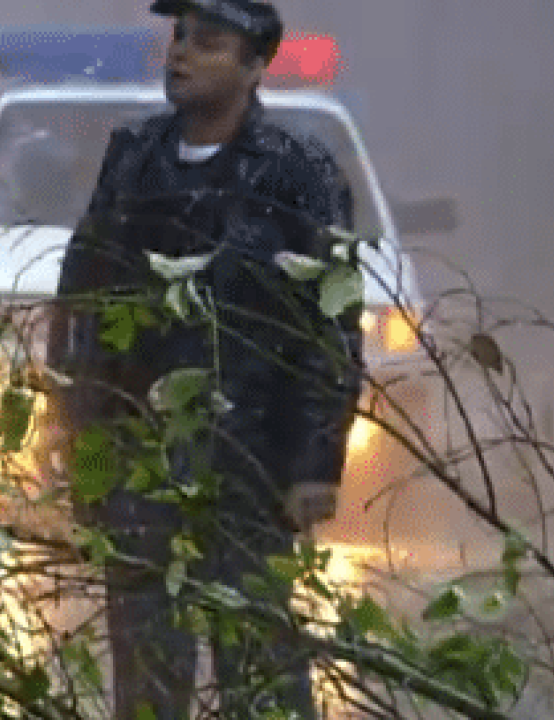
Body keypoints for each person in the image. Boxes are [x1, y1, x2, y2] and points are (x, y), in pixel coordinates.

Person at [47, 1, 361, 717]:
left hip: (251, 467)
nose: (181, 53)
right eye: (179, 37)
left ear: (254, 66)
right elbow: (84, 305)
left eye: (208, 42)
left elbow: (332, 321)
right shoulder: (132, 158)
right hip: (141, 467)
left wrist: (317, 460)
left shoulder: (297, 170)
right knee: (148, 679)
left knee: (261, 674)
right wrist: (79, 440)